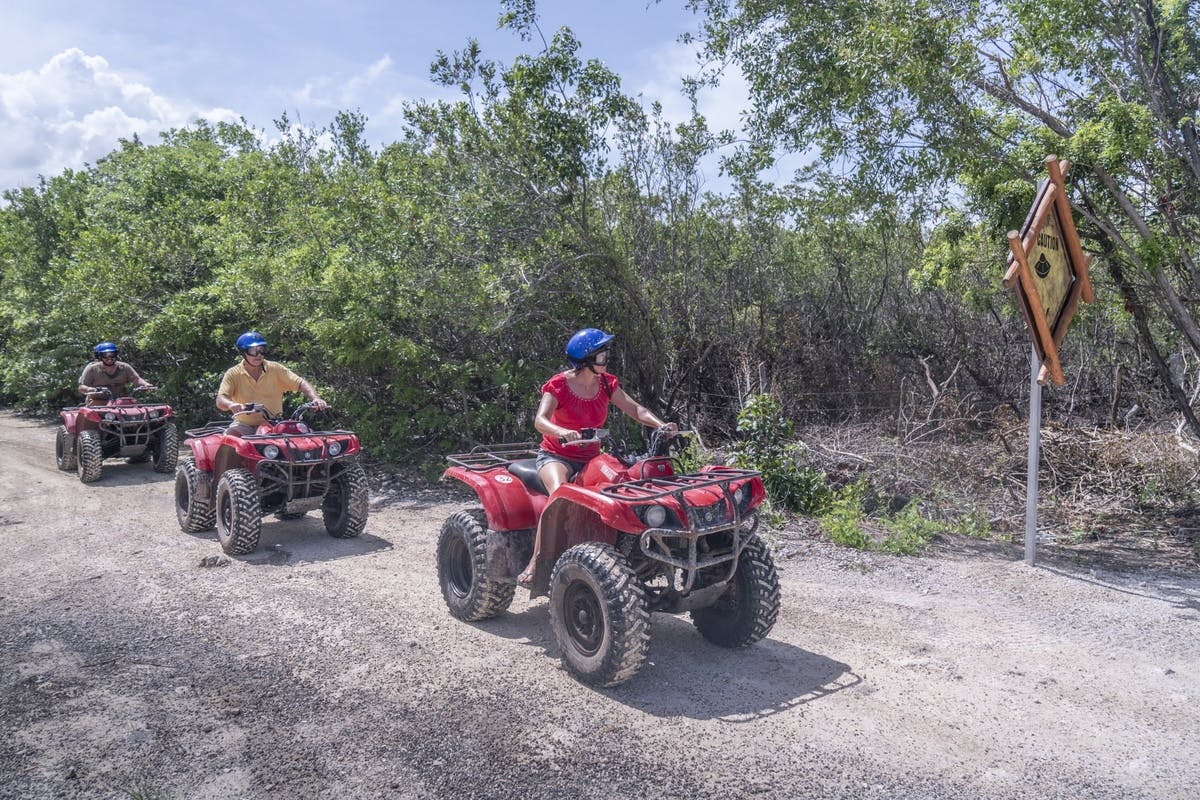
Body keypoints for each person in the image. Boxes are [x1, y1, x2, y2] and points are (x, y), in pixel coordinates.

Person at [516, 327, 677, 587]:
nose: (606, 357)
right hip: (556, 455)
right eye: (601, 354)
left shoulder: (605, 383)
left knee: (621, 487)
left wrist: (660, 425)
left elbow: (636, 409)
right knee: (559, 493)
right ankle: (536, 561)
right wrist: (562, 432)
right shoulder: (558, 385)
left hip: (591, 456)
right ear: (587, 359)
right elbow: (540, 421)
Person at [215, 331, 328, 435]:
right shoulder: (233, 373)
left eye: (261, 350)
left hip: (272, 425)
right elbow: (221, 400)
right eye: (253, 351)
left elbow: (300, 383)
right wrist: (231, 405)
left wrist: (315, 398)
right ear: (243, 353)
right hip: (244, 425)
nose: (259, 355)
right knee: (230, 439)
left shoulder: (275, 368)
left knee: (303, 439)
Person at [77, 342, 155, 404]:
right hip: (98, 402)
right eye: (105, 356)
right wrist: (90, 389)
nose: (109, 358)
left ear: (116, 354)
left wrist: (145, 384)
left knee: (137, 413)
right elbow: (81, 387)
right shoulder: (92, 369)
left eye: (112, 355)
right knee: (94, 419)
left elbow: (136, 379)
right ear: (100, 356)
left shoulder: (124, 367)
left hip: (121, 401)